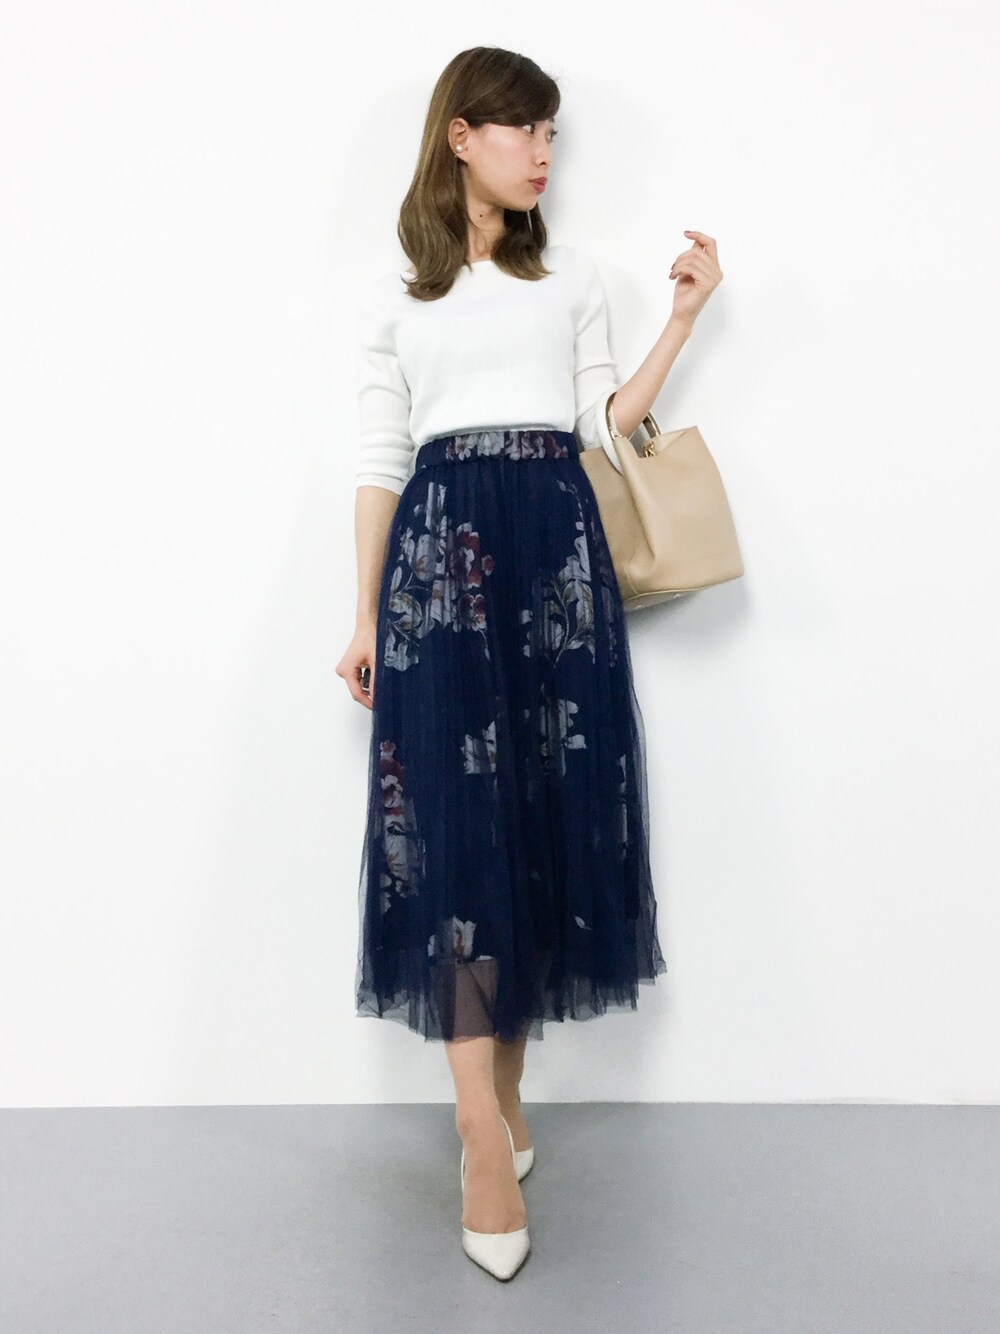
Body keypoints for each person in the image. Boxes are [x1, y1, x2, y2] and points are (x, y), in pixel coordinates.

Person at [335, 46, 723, 1280]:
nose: (544, 152)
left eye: (552, 133)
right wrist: (363, 615)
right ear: (461, 136)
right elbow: (380, 463)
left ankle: (501, 1095)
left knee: (539, 826)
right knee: (458, 845)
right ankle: (477, 1132)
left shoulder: (575, 282)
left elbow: (602, 424)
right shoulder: (396, 301)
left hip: (556, 566)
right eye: (523, 130)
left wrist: (681, 318)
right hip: (441, 572)